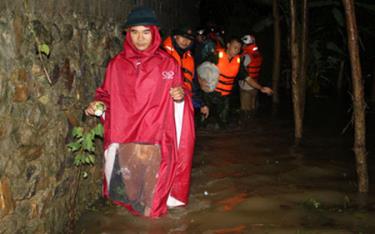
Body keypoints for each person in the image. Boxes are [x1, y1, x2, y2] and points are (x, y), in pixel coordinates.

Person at [84, 6, 195, 218]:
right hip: (126, 139)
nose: (140, 38)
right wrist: (98, 105)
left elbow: (181, 97)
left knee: (151, 208)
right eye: (134, 32)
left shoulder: (168, 64)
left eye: (145, 32)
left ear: (154, 33)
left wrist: (180, 97)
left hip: (156, 141)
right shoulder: (116, 65)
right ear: (128, 34)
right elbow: (106, 95)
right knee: (132, 201)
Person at [162, 26, 209, 120]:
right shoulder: (161, 54)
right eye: (183, 37)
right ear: (175, 36)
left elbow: (193, 84)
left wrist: (201, 104)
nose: (185, 41)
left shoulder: (190, 59)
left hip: (183, 104)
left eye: (189, 39)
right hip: (164, 105)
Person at [238, 34, 272, 116]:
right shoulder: (257, 54)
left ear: (245, 44)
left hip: (246, 85)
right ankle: (254, 125)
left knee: (245, 111)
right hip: (255, 85)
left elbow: (239, 69)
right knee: (253, 108)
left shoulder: (246, 56)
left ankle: (248, 126)